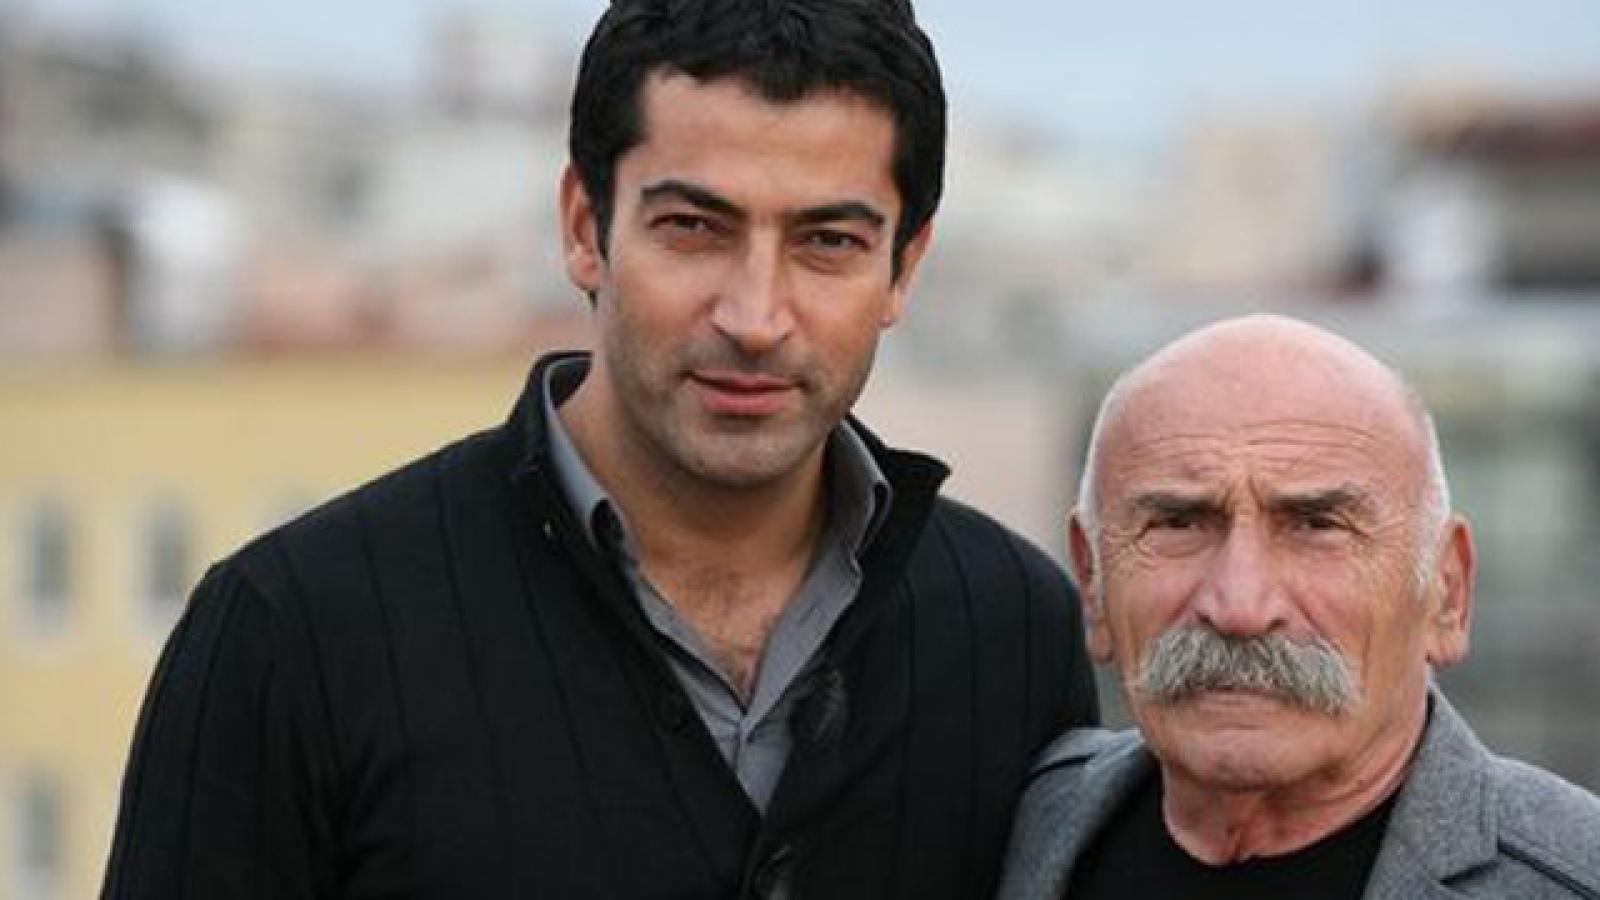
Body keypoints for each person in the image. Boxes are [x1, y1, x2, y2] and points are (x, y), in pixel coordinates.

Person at [101, 1, 1100, 897]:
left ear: (904, 267)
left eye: (827, 242)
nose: (755, 316)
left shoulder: (1013, 630)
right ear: (585, 227)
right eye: (694, 227)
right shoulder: (292, 633)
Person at [999, 315, 1600, 899]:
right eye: (1179, 523)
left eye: (1317, 525)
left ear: (1448, 593)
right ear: (1093, 581)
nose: (1240, 606)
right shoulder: (1007, 826)